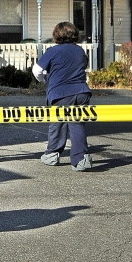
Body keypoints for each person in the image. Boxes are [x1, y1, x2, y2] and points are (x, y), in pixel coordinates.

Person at [32, 21, 93, 171]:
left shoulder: (53, 51)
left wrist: (45, 79)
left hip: (60, 93)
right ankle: (81, 159)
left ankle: (52, 155)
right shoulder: (80, 51)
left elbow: (37, 70)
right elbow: (82, 66)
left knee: (57, 124)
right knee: (77, 124)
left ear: (56, 35)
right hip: (82, 92)